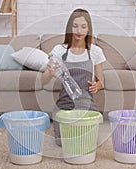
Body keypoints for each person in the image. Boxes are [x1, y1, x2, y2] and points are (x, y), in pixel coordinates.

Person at [42, 8, 106, 146]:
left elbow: (101, 82)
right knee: (62, 142)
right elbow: (44, 81)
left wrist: (97, 85)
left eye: (83, 27)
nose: (79, 31)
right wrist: (49, 72)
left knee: (87, 141)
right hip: (64, 105)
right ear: (69, 27)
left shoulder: (95, 52)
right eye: (75, 26)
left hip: (86, 105)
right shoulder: (59, 50)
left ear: (88, 29)